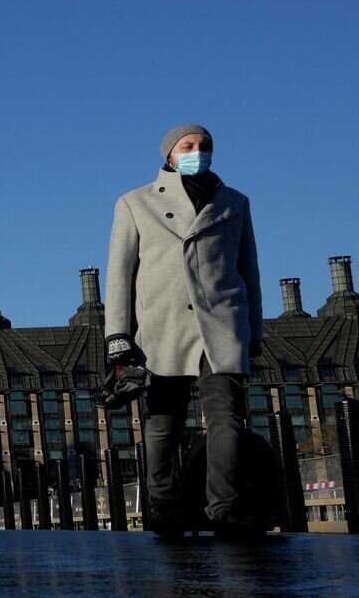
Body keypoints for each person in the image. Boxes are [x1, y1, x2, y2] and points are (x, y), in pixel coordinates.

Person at [105, 123, 263, 538]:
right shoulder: (135, 203)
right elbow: (120, 274)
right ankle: (163, 506)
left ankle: (224, 507)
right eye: (188, 146)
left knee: (227, 418)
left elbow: (249, 272)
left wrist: (255, 331)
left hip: (222, 324)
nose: (198, 151)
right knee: (163, 422)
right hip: (163, 325)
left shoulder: (236, 203)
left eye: (204, 146)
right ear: (169, 155)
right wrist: (118, 335)